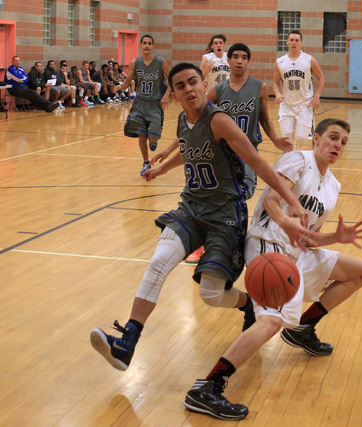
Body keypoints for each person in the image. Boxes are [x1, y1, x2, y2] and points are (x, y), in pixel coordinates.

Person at [90, 62, 315, 374]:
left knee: (211, 295)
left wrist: (293, 201)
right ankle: (127, 343)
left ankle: (247, 303)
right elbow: (187, 148)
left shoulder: (219, 120)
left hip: (225, 214)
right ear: (175, 94)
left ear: (203, 83)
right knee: (158, 263)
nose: (189, 89)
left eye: (193, 82)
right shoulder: (184, 120)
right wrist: (162, 168)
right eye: (180, 86)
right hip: (191, 208)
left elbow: (257, 161)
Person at [183, 118, 362, 420]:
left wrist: (335, 238)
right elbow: (271, 199)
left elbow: (308, 239)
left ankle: (303, 327)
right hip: (268, 245)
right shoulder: (298, 160)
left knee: (360, 270)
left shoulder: (333, 186)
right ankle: (208, 386)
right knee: (271, 321)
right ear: (315, 139)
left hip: (297, 252)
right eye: (333, 138)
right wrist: (285, 221)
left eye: (344, 142)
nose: (338, 145)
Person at [155, 43, 295, 265]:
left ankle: (229, 237)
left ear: (249, 61)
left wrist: (276, 140)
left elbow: (265, 119)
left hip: (246, 154)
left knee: (239, 193)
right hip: (217, 154)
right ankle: (205, 241)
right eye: (235, 57)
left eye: (243, 57)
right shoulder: (218, 89)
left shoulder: (259, 87)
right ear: (228, 61)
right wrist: (168, 150)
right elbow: (195, 123)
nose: (239, 61)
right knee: (214, 194)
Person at [114, 34, 172, 175]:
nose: (146, 45)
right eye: (144, 43)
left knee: (152, 137)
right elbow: (128, 81)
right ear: (140, 45)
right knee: (141, 135)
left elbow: (171, 80)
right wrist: (120, 87)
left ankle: (153, 140)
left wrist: (166, 95)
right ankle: (146, 163)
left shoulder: (160, 62)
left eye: (149, 43)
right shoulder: (135, 63)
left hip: (154, 104)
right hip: (140, 103)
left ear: (153, 45)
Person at [273, 30, 325, 146]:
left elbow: (321, 78)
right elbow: (275, 83)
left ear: (301, 43)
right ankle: (290, 162)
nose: (294, 43)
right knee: (286, 139)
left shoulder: (309, 60)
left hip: (304, 105)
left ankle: (297, 158)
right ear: (287, 42)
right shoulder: (280, 62)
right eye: (291, 40)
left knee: (301, 139)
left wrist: (317, 96)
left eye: (297, 40)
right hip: (286, 105)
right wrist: (277, 94)